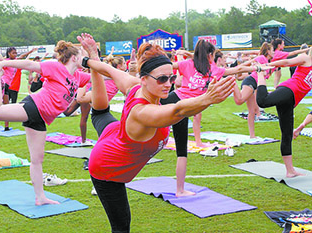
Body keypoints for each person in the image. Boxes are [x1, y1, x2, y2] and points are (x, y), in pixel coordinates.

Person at [77, 33, 236, 233]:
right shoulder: (142, 112)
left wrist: (89, 58)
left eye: (171, 78)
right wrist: (207, 98)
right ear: (143, 79)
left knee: (100, 112)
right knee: (121, 227)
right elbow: (178, 110)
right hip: (107, 168)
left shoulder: (137, 87)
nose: (168, 84)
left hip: (114, 134)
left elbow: (106, 68)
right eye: (161, 79)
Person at [160, 40, 271, 197]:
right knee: (151, 132)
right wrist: (259, 68)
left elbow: (238, 69)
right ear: (210, 55)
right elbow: (166, 68)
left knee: (181, 151)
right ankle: (179, 189)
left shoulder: (208, 68)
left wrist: (257, 67)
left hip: (184, 109)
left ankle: (180, 190)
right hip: (175, 101)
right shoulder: (192, 65)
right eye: (213, 54)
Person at [0, 40, 91, 205]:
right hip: (35, 106)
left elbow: (101, 75)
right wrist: (2, 63)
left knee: (37, 159)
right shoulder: (57, 67)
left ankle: (40, 197)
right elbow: (28, 64)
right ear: (73, 58)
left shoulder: (78, 76)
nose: (84, 59)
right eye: (81, 56)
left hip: (41, 119)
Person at [256, 47, 312, 178]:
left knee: (287, 135)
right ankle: (260, 75)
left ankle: (290, 171)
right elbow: (286, 62)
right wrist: (266, 66)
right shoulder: (306, 58)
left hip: (291, 101)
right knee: (263, 101)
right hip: (288, 90)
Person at [232, 42, 275, 138]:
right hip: (250, 82)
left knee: (252, 111)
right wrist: (237, 68)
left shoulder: (268, 62)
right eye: (272, 50)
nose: (274, 53)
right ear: (268, 51)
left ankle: (252, 136)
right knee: (239, 101)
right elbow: (251, 65)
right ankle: (232, 83)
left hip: (255, 86)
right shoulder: (261, 58)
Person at [3, 47, 37, 131]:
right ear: (8, 53)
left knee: (8, 105)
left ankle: (6, 126)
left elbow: (22, 56)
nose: (15, 54)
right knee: (5, 105)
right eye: (13, 53)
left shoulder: (16, 61)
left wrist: (30, 52)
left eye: (15, 53)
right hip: (4, 85)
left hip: (10, 85)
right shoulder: (6, 61)